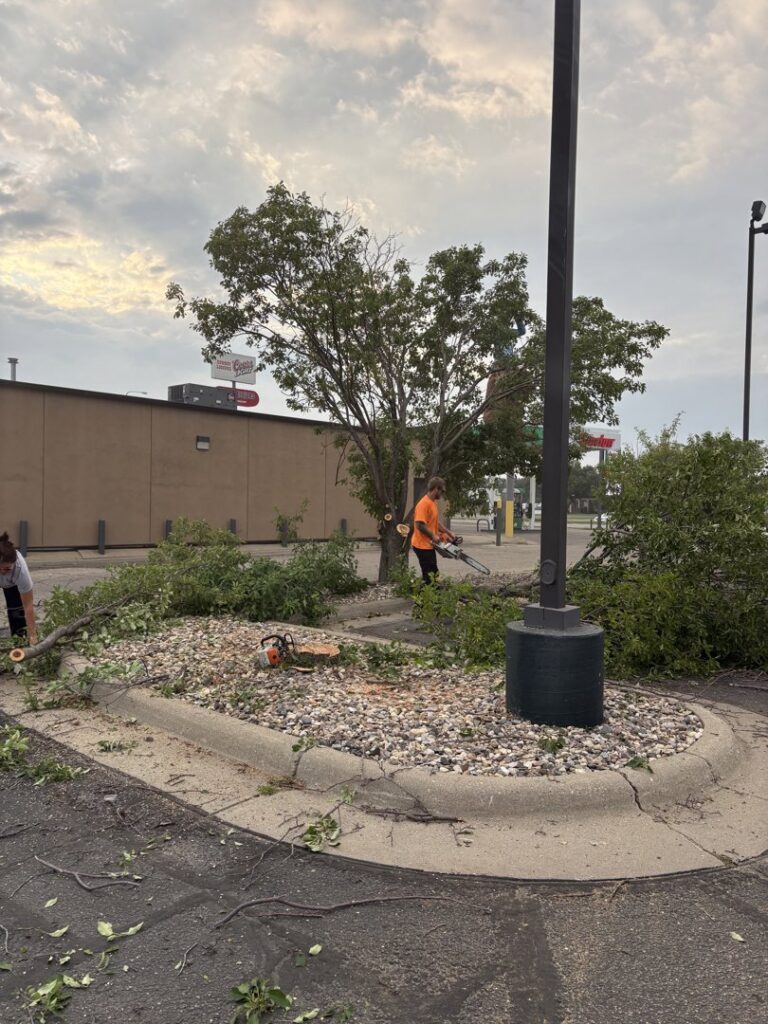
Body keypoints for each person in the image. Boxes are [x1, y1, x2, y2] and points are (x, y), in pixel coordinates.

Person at [411, 477, 458, 584]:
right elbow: (419, 524)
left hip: (428, 544)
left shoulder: (432, 503)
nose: (442, 494)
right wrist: (433, 535)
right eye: (442, 491)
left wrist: (448, 532)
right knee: (430, 575)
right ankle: (425, 598)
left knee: (433, 573)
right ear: (436, 489)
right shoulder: (423, 504)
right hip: (421, 545)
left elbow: (436, 522)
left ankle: (430, 595)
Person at [0, 532, 38, 644]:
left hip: (12, 584)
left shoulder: (20, 570)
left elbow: (28, 607)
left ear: (14, 563)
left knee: (16, 612)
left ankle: (19, 644)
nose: (2, 572)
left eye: (7, 569)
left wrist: (33, 635)